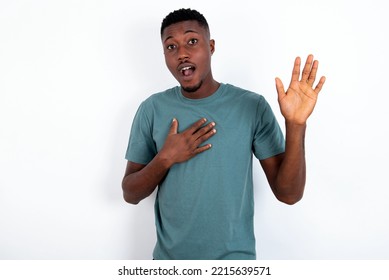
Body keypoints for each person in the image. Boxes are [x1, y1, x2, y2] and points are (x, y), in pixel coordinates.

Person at [122, 8, 326, 260]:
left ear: (211, 46)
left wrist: (295, 125)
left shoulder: (252, 106)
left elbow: (289, 194)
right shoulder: (152, 109)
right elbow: (130, 193)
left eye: (192, 41)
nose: (182, 53)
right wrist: (166, 157)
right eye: (171, 47)